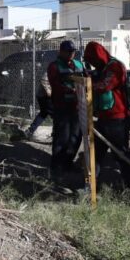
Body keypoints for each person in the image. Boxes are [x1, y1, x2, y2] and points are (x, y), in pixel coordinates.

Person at [84, 41, 130, 188]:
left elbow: (104, 85)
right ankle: (90, 186)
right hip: (103, 118)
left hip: (118, 119)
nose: (94, 64)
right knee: (95, 153)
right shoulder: (102, 68)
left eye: (94, 60)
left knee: (121, 153)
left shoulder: (115, 67)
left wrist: (86, 83)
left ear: (100, 55)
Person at [46, 40, 85, 187]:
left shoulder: (79, 64)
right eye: (68, 51)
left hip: (77, 108)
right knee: (61, 139)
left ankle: (68, 164)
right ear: (61, 51)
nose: (71, 53)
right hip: (62, 108)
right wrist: (71, 90)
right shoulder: (54, 66)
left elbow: (86, 78)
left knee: (76, 137)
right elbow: (55, 85)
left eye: (73, 51)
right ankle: (56, 169)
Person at [24, 68, 52, 140]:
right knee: (56, 115)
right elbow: (44, 80)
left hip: (43, 96)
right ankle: (56, 135)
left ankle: (29, 131)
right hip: (44, 96)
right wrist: (49, 92)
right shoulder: (55, 67)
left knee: (43, 114)